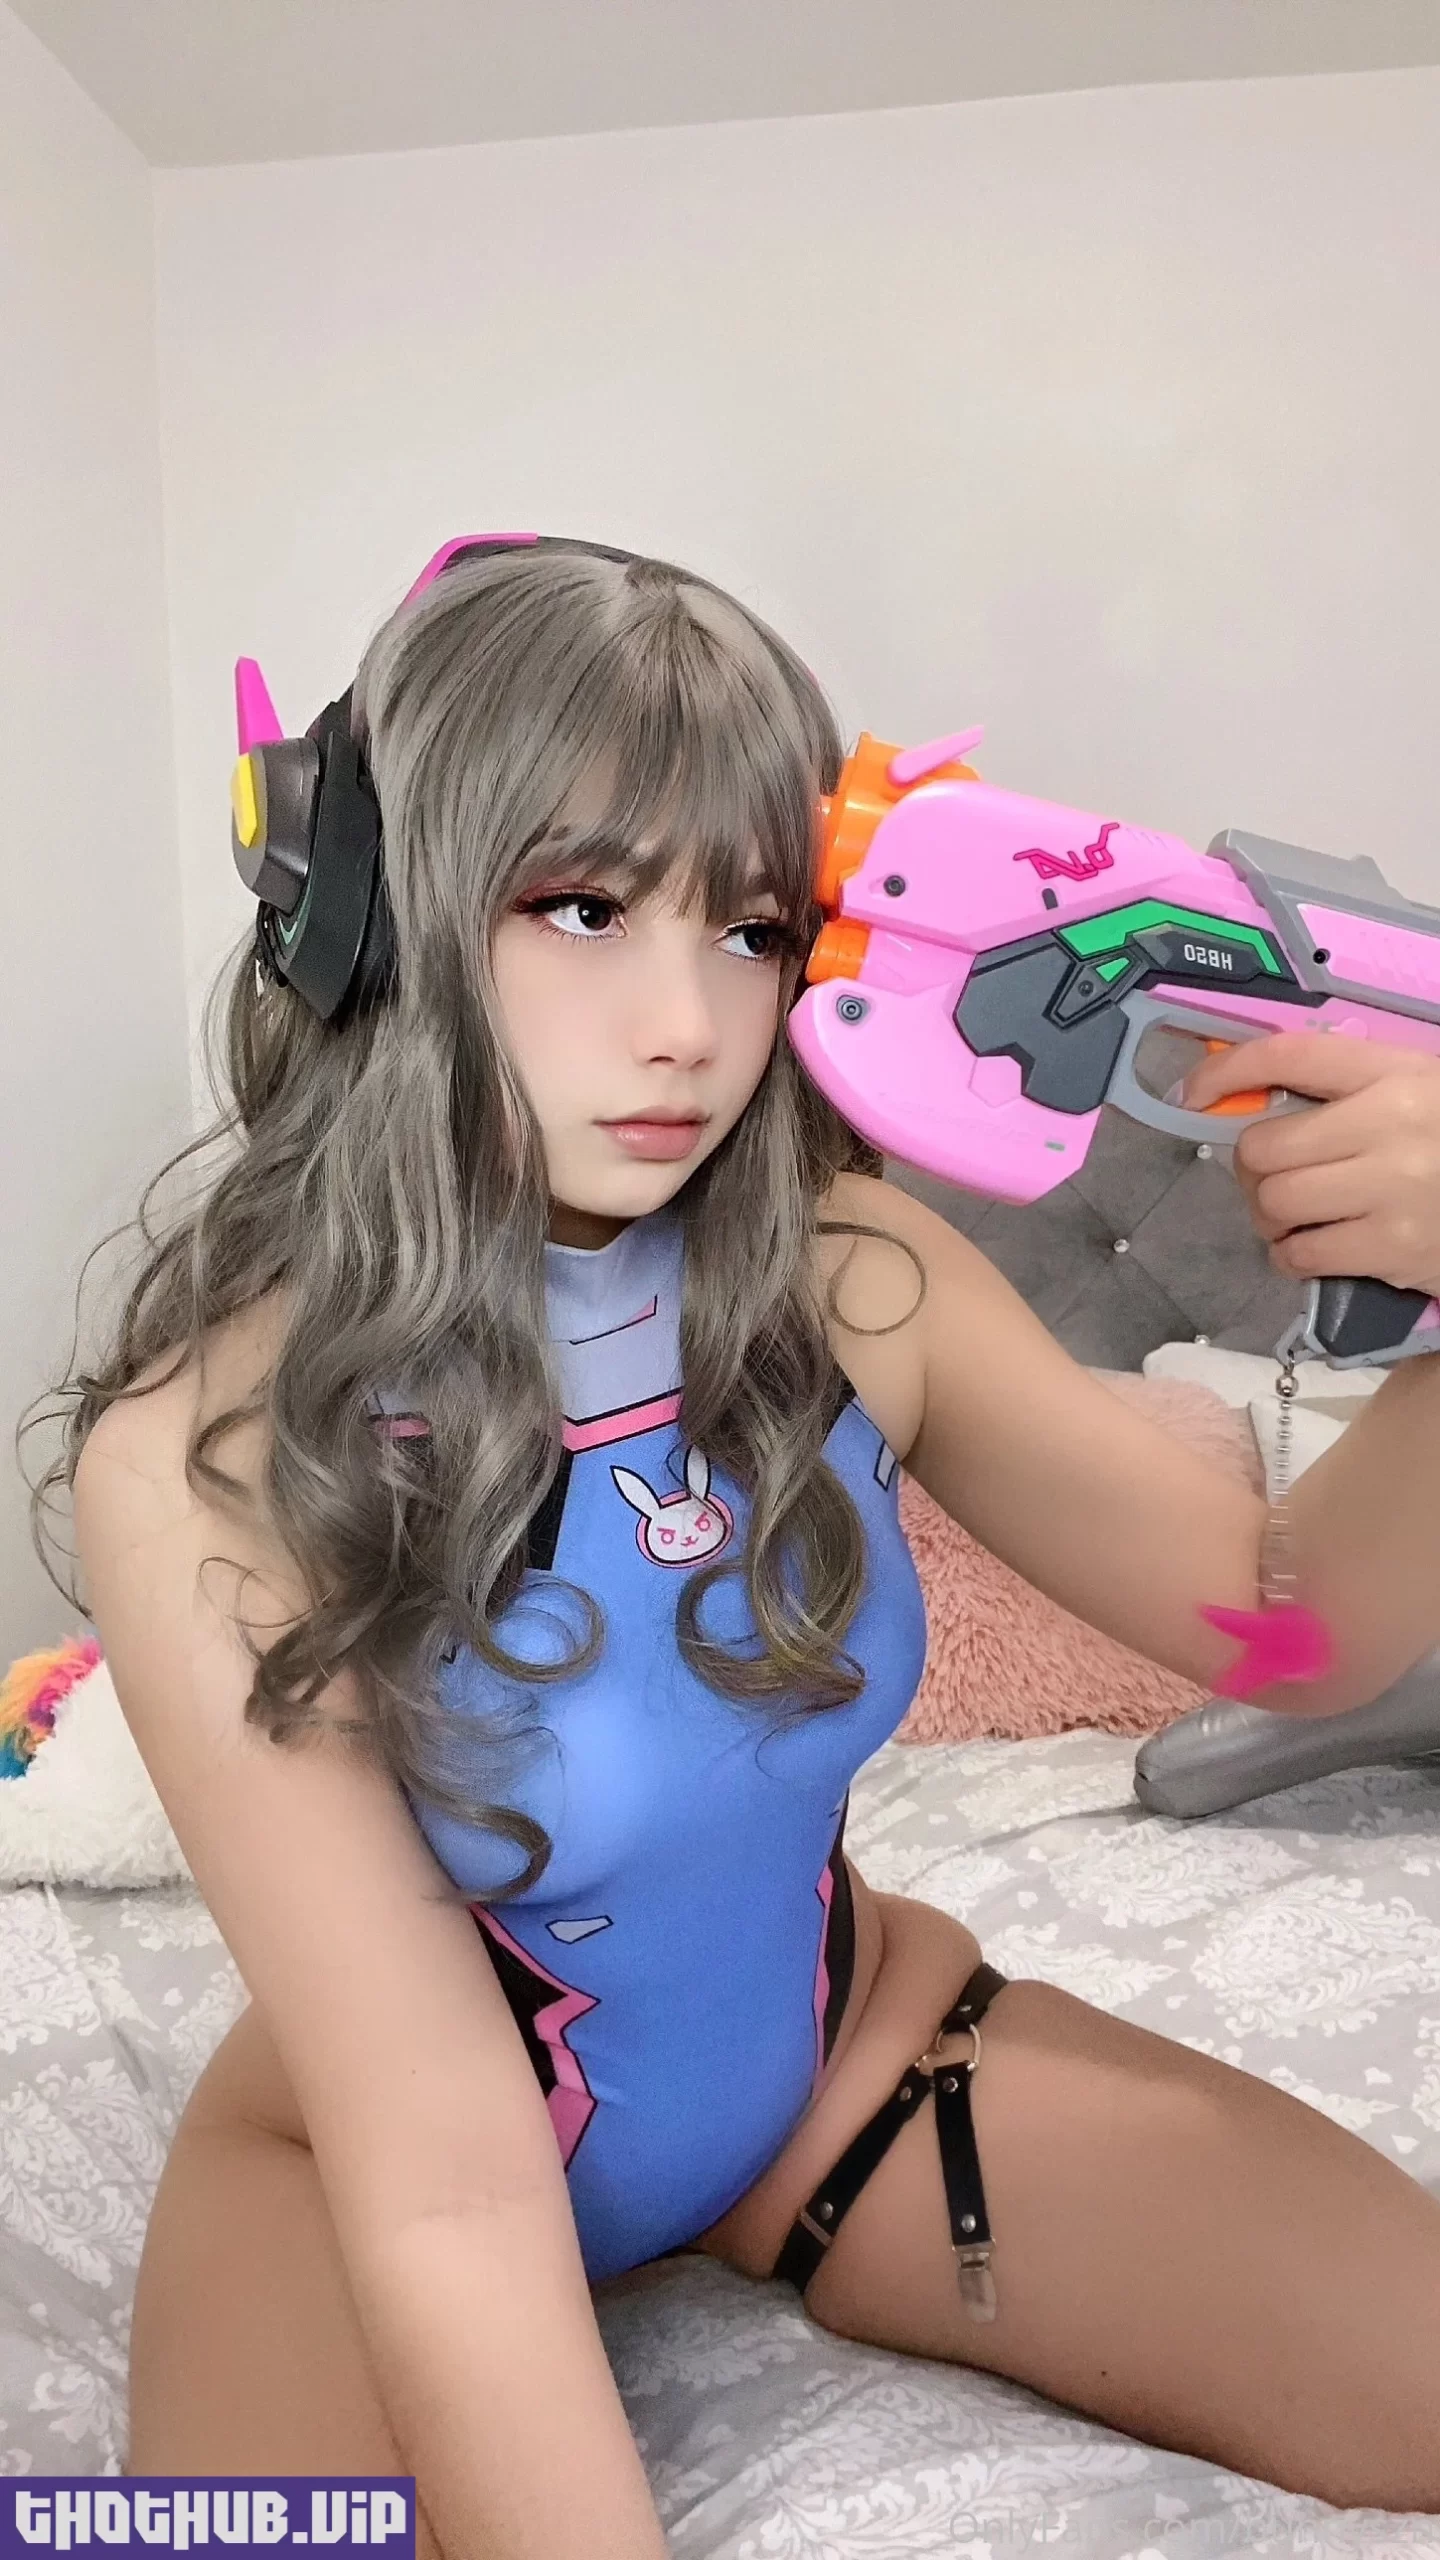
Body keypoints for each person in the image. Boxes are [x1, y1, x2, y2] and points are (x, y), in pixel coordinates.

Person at [47, 537, 1440, 2560]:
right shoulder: (208, 1458)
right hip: (380, 2183)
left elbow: (1293, 1636)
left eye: (752, 925)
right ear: (378, 912)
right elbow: (448, 2178)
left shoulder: (852, 1272)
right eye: (584, 905)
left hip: (839, 2069)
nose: (691, 1023)